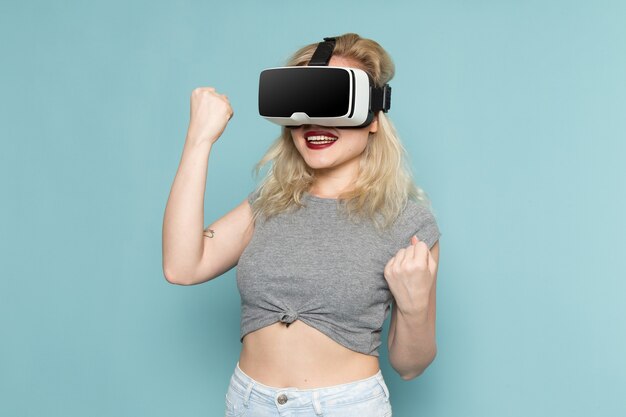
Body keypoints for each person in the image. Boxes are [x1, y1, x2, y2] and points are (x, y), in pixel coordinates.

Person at [162, 33, 441, 417]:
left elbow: (411, 366)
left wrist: (413, 306)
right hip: (248, 401)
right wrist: (199, 140)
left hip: (344, 407)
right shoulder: (269, 202)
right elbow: (182, 266)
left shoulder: (407, 223)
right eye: (303, 106)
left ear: (373, 117)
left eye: (331, 104)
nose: (313, 122)